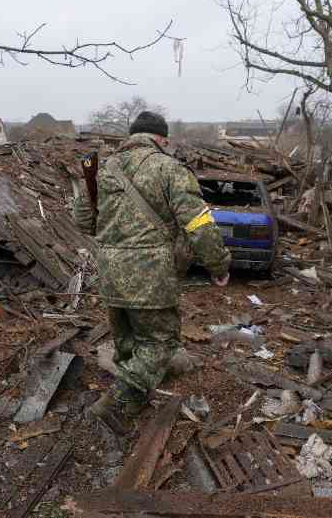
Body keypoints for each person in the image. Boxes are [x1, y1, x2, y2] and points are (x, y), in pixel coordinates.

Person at [73, 111, 231, 434]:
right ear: (161, 139)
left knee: (128, 343)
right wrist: (218, 264)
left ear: (132, 136)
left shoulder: (102, 172)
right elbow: (199, 224)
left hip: (111, 275)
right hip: (151, 275)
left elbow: (84, 223)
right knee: (161, 344)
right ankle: (113, 403)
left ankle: (132, 405)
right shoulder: (169, 169)